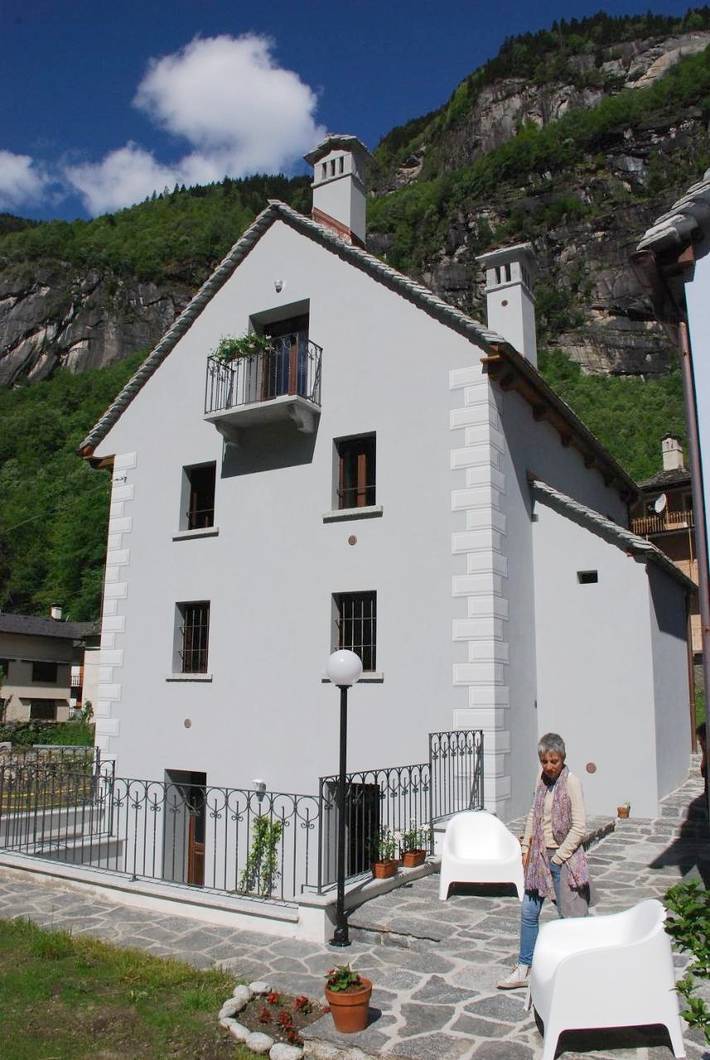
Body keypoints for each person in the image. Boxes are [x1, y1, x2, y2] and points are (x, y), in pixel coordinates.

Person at [497, 732, 590, 990]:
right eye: (545, 761)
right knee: (528, 911)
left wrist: (558, 858)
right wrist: (526, 845)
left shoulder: (571, 782)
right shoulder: (541, 780)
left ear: (562, 759)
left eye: (554, 761)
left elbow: (580, 826)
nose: (549, 766)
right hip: (538, 855)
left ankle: (578, 970)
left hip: (563, 859)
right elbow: (533, 815)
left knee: (569, 916)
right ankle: (524, 968)